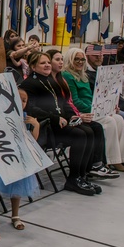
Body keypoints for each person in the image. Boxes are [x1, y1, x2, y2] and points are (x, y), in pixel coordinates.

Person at [20, 51, 100, 197]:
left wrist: (75, 117)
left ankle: (82, 175)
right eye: (43, 63)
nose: (47, 65)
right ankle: (73, 178)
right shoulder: (28, 84)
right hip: (45, 126)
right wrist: (55, 117)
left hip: (59, 123)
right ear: (33, 66)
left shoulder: (50, 80)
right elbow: (31, 108)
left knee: (89, 130)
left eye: (48, 62)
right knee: (80, 135)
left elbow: (64, 104)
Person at [0, 89, 41, 230]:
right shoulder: (0, 114)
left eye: (24, 100)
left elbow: (32, 140)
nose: (21, 103)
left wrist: (36, 125)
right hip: (0, 153)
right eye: (18, 99)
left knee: (18, 185)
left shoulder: (25, 118)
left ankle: (15, 215)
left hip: (18, 156)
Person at [63, 48, 124, 171]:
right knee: (110, 121)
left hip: (93, 108)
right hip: (82, 111)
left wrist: (107, 107)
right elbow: (76, 101)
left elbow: (92, 97)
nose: (80, 62)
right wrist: (97, 109)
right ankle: (111, 160)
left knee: (119, 118)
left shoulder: (82, 75)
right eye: (76, 59)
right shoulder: (68, 76)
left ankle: (122, 157)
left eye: (82, 59)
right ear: (69, 60)